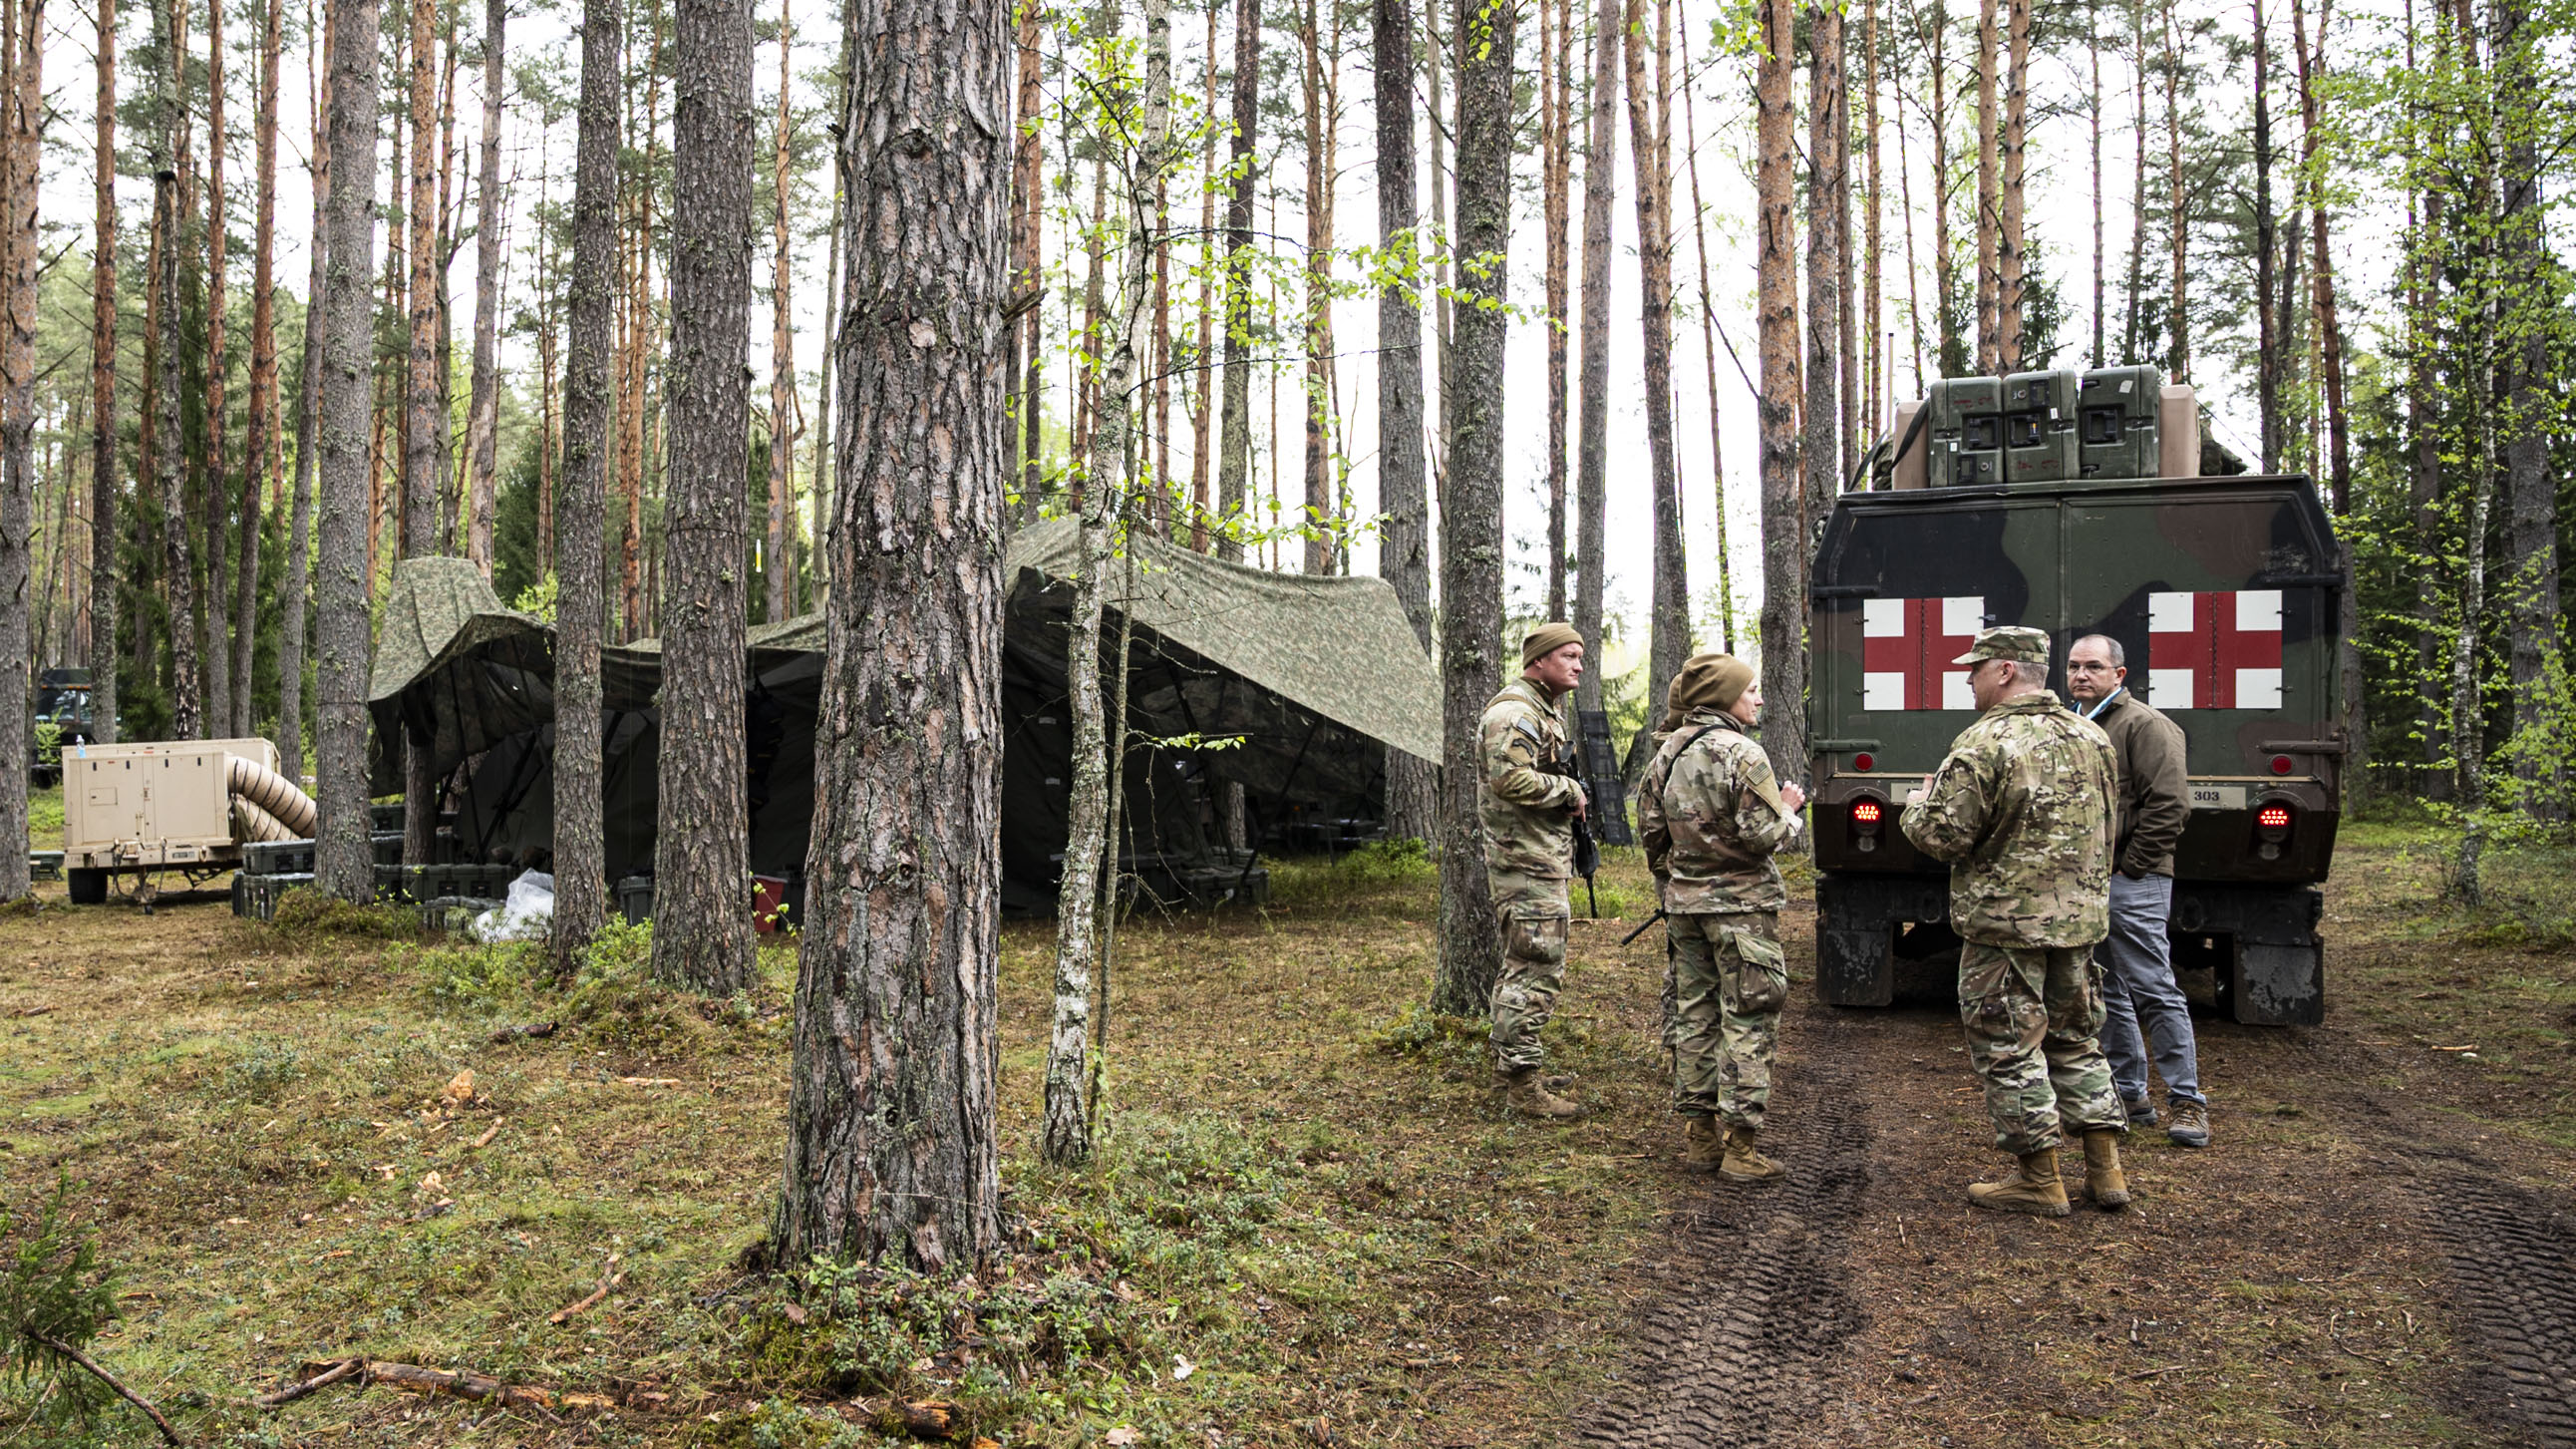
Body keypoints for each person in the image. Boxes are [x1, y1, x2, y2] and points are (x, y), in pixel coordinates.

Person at [1899, 625, 2130, 1216]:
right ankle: (2106, 1174)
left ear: (2004, 671)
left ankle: (2038, 1178)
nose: (1967, 680)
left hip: (2006, 931)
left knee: (2010, 1047)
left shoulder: (1983, 743)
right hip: (2076, 924)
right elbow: (2110, 826)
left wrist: (1915, 807)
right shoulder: (2092, 736)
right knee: (2077, 1040)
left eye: (1974, 670)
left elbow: (1943, 836)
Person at [1638, 653, 1806, 1179]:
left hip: (1685, 908)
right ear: (1724, 697)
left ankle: (1699, 1138)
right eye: (1751, 689)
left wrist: (1683, 876)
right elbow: (1763, 837)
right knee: (1750, 1015)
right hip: (1742, 911)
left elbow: (1650, 833)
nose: (1758, 699)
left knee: (1694, 1013)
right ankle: (1741, 1148)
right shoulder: (1742, 753)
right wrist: (1789, 811)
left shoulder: (1668, 750)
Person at [2065, 633, 2210, 1148]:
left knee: (2154, 987)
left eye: (2094, 667)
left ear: (2118, 675)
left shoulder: (2144, 725)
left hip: (2135, 883)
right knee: (2108, 990)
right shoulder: (2075, 725)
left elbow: (2171, 805)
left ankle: (2188, 1102)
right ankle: (2129, 1096)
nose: (2082, 675)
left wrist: (2131, 868)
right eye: (2075, 666)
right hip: (2088, 885)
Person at [1478, 621, 1589, 1119]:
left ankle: (1515, 1066)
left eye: (1580, 656)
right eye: (1567, 655)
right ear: (1539, 661)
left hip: (1536, 856)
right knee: (1536, 968)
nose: (1578, 664)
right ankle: (1523, 1089)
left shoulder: (1539, 709)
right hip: (1525, 863)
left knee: (1523, 965)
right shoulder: (1517, 712)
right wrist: (1568, 792)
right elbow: (1508, 778)